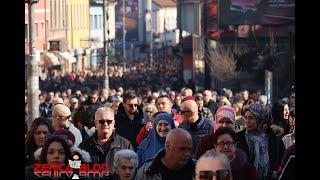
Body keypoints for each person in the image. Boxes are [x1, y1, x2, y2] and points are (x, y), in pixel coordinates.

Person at [237, 102, 285, 179]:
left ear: (261, 118)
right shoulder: (240, 138)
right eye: (245, 117)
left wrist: (277, 173)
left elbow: (282, 162)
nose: (247, 121)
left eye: (251, 118)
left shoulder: (274, 138)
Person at [79, 107, 133, 172]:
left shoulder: (125, 145)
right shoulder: (84, 146)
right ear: (95, 123)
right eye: (101, 121)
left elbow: (132, 171)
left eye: (109, 121)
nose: (105, 124)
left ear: (113, 123)